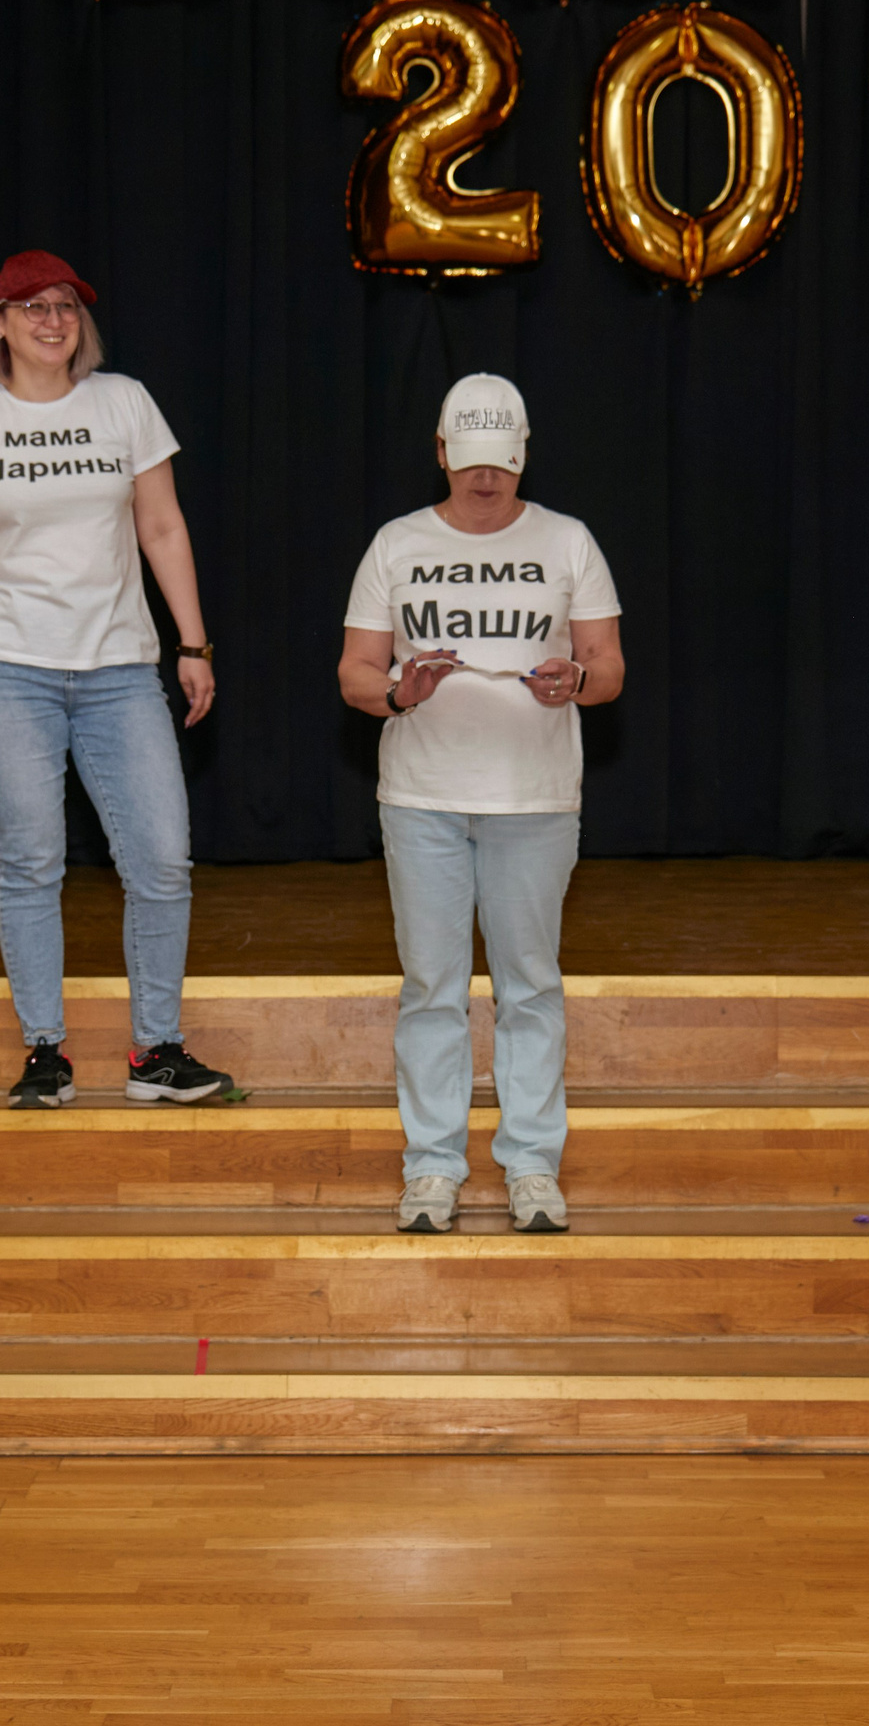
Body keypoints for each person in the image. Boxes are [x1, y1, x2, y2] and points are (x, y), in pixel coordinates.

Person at [0, 249, 231, 1108]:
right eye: (33, 307)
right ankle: (45, 1048)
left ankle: (157, 1050)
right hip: (3, 669)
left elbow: (162, 526)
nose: (53, 321)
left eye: (66, 307)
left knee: (162, 859)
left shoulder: (124, 402)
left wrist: (193, 643)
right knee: (28, 861)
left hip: (119, 670)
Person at [336, 374, 624, 1234]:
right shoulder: (396, 543)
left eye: (500, 461)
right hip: (422, 798)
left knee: (529, 983)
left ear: (523, 454)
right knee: (432, 985)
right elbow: (355, 673)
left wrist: (576, 679)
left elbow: (609, 667)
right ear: (440, 453)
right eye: (469, 462)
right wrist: (400, 691)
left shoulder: (568, 540)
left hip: (533, 801)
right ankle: (432, 1165)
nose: (486, 479)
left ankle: (532, 1164)